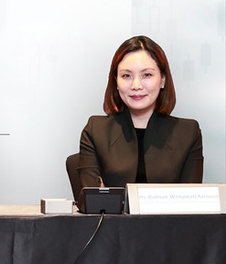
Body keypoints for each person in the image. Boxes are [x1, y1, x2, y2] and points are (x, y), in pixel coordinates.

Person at [76, 35, 203, 190]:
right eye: (126, 76)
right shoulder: (95, 131)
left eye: (147, 75)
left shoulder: (188, 133)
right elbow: (94, 200)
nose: (136, 85)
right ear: (116, 81)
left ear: (162, 79)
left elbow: (190, 200)